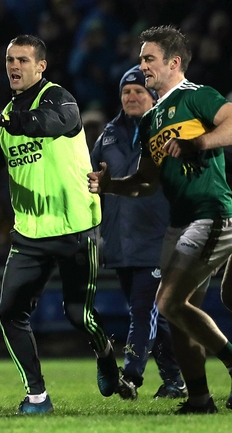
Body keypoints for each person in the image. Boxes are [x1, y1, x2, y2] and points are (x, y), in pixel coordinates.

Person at [0, 34, 132, 414]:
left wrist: (3, 120)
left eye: (22, 60)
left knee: (77, 314)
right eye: (9, 59)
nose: (14, 66)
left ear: (40, 66)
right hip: (30, 234)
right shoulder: (4, 120)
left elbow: (52, 123)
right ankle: (37, 397)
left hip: (76, 227)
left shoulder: (58, 98)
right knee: (9, 313)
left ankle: (105, 355)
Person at [88, 25, 232, 414]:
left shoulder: (197, 97)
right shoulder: (151, 120)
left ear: (174, 62)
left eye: (149, 59)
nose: (142, 66)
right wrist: (110, 186)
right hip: (178, 224)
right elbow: (145, 184)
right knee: (182, 317)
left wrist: (198, 142)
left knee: (168, 303)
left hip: (211, 213)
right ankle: (200, 399)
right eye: (141, 59)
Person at [90, 65, 186, 400]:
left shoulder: (167, 132)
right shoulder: (109, 136)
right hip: (119, 240)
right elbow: (92, 181)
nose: (131, 96)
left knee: (143, 310)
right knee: (148, 315)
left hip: (157, 238)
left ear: (153, 96)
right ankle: (175, 380)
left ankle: (130, 375)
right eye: (126, 92)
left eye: (139, 91)